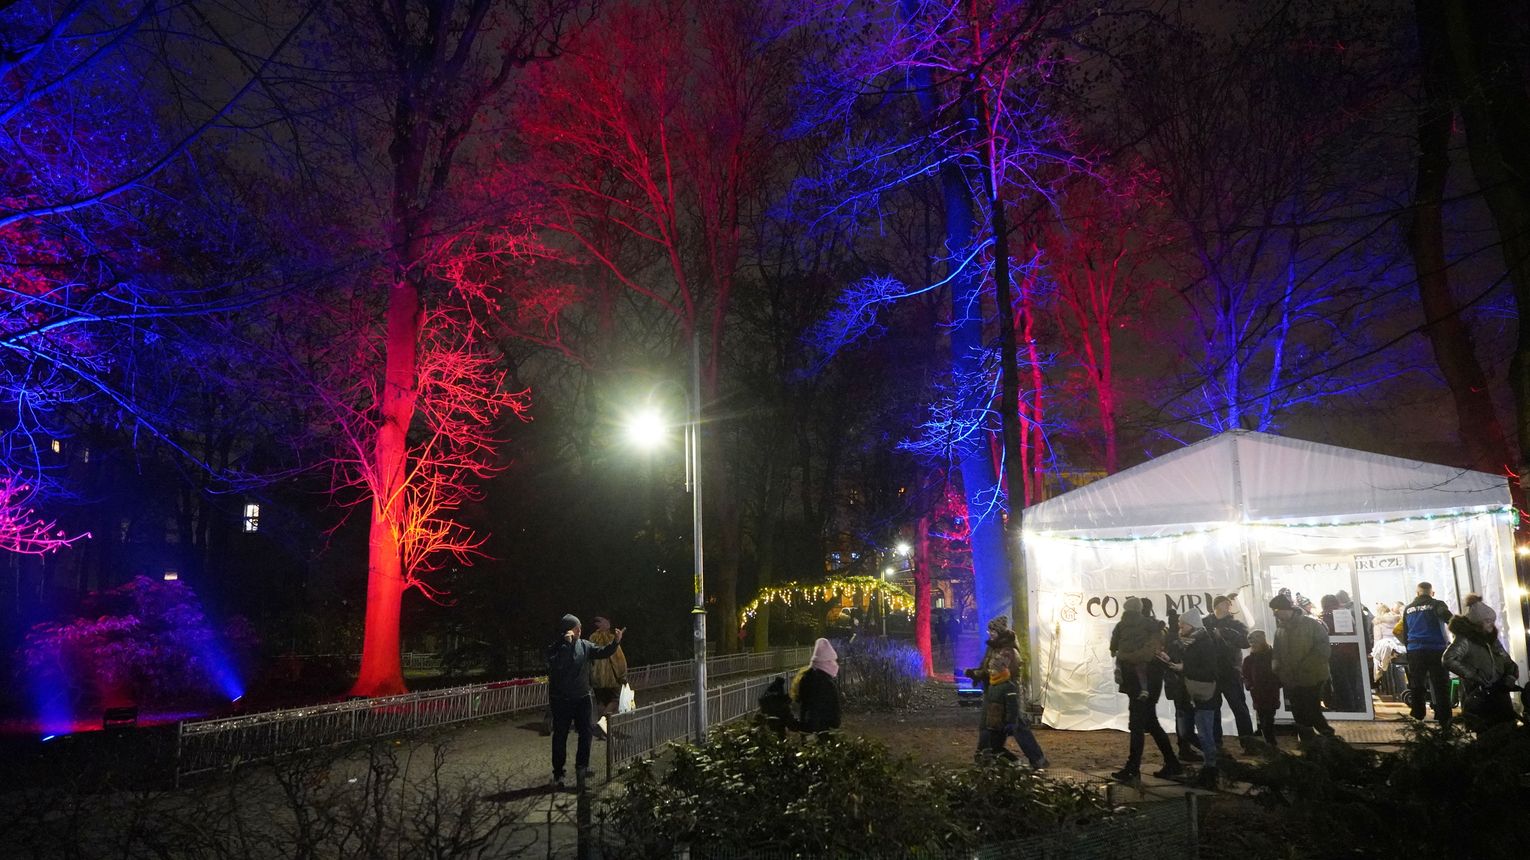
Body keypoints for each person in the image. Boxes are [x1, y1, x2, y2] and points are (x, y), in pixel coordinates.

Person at [546, 613, 625, 786]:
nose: (580, 630)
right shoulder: (556, 648)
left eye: (580, 627)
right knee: (560, 736)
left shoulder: (585, 645)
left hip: (582, 698)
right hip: (561, 700)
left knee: (586, 734)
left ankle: (582, 767)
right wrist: (567, 645)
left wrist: (615, 642)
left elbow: (603, 652)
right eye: (576, 628)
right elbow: (559, 666)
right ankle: (558, 773)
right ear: (567, 630)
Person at [1108, 620, 1183, 783]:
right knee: (1152, 725)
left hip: (1142, 691)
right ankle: (1172, 763)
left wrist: (1122, 654)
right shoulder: (1152, 635)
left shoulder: (1146, 639)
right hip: (1146, 689)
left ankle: (1133, 769)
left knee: (1137, 727)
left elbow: (1139, 658)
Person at [969, 616, 1049, 768]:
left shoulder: (1009, 650)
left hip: (1008, 693)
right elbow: (988, 668)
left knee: (1016, 724)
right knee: (987, 724)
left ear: (1000, 632)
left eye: (993, 630)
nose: (990, 633)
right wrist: (977, 673)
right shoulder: (993, 647)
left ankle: (1037, 758)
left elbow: (998, 671)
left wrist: (980, 673)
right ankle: (984, 755)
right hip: (992, 691)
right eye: (989, 630)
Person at [1165, 608, 1222, 788]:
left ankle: (1212, 766)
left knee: (1204, 733)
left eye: (1182, 624)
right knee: (1186, 732)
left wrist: (1184, 668)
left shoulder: (1204, 643)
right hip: (1187, 694)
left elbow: (1210, 672)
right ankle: (1215, 759)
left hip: (1203, 694)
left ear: (1191, 625)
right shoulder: (1185, 643)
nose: (1180, 627)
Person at [1269, 593, 1335, 740]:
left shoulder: (1311, 625)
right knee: (1298, 711)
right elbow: (1277, 652)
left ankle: (1328, 737)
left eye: (1276, 611)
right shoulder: (1280, 630)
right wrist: (1278, 669)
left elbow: (1323, 649)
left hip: (1313, 677)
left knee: (1311, 709)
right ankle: (1308, 741)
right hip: (1291, 679)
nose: (1275, 615)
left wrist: (1305, 667)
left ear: (1285, 609)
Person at [1442, 614, 1519, 727]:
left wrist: (1511, 675)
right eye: (1487, 620)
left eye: (1492, 620)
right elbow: (1448, 659)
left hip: (1500, 690)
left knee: (1507, 727)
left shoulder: (1491, 638)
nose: (1491, 623)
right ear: (1477, 623)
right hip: (1479, 694)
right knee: (1484, 728)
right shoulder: (1465, 639)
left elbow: (1506, 660)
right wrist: (1474, 675)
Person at [1203, 595, 1257, 753]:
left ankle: (1248, 744)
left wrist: (1226, 633)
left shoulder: (1236, 624)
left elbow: (1246, 642)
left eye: (1229, 603)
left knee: (1239, 707)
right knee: (1213, 709)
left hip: (1230, 671)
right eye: (1225, 603)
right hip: (1211, 672)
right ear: (1217, 605)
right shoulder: (1205, 623)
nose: (1229, 606)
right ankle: (1216, 745)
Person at [1398, 581, 1453, 727]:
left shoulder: (1408, 608)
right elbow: (1449, 618)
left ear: (1417, 593)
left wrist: (1409, 648)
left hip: (1415, 650)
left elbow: (1405, 632)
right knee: (1440, 685)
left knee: (1417, 685)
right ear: (1431, 593)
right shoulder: (1437, 604)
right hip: (1436, 649)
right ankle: (1444, 719)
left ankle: (1418, 717)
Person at [1162, 607, 1203, 762]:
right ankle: (1197, 749)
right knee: (1186, 719)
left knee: (1183, 717)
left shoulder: (1172, 639)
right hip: (1182, 685)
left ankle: (1185, 748)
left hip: (1177, 685)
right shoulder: (1182, 641)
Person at [1110, 597, 1163, 701]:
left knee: (1119, 659)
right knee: (1141, 670)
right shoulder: (1145, 622)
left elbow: (1115, 637)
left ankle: (1118, 669)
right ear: (1140, 608)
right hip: (1139, 652)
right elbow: (1155, 628)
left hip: (1124, 652)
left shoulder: (1121, 624)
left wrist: (1113, 649)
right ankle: (1144, 690)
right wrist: (1160, 625)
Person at [1319, 594, 1364, 713]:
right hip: (1350, 652)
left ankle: (1345, 706)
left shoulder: (1325, 617)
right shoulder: (1347, 615)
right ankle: (1355, 705)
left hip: (1335, 653)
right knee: (1351, 679)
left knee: (1339, 680)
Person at [587, 614, 627, 740]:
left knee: (601, 702)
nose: (608, 622)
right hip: (611, 678)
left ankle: (603, 731)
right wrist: (622, 675)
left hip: (596, 678)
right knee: (615, 701)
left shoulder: (592, 638)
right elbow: (619, 659)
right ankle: (603, 724)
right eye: (605, 621)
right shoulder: (611, 638)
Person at [1242, 630, 1280, 748]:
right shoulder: (1251, 659)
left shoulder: (1270, 656)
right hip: (1259, 693)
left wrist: (1250, 685)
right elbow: (1246, 675)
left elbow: (1278, 673)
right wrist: (1250, 685)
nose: (1253, 645)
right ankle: (1270, 743)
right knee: (1265, 718)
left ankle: (1270, 743)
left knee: (1267, 719)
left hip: (1268, 692)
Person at [794, 637, 841, 732]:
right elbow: (834, 707)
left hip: (807, 726)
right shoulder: (827, 682)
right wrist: (835, 723)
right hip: (823, 728)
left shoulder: (805, 677)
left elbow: (800, 701)